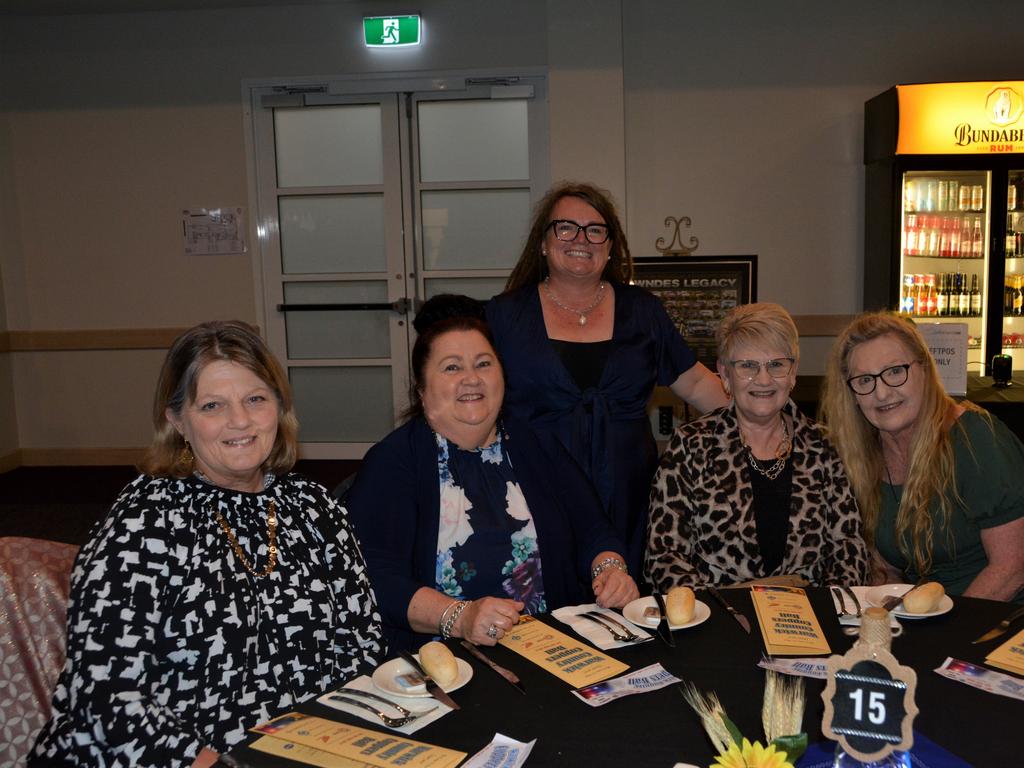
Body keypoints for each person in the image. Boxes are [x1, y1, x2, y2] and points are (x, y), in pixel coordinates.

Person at [30, 321, 385, 768]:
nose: (240, 420)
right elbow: (105, 697)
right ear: (176, 419)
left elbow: (362, 644)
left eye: (255, 399)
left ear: (279, 406)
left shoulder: (315, 507)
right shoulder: (144, 524)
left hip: (293, 748)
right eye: (213, 405)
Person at [347, 295, 640, 652]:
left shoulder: (535, 444)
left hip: (552, 649)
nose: (471, 378)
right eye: (452, 368)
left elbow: (592, 526)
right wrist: (460, 617)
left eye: (483, 364)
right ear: (422, 391)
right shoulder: (394, 462)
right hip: (444, 661)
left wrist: (609, 569)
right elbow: (376, 579)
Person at [486, 182, 729, 575]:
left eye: (595, 229)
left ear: (611, 245)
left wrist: (762, 421)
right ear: (543, 243)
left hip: (629, 491)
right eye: (565, 227)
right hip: (537, 486)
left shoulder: (644, 311)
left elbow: (697, 384)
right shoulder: (504, 316)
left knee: (628, 607)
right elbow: (479, 401)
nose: (581, 238)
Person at [645, 303, 867, 592]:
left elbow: (848, 547)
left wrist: (828, 611)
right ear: (725, 374)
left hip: (809, 621)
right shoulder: (690, 445)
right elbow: (663, 556)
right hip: (718, 622)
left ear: (793, 373)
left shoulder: (825, 445)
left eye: (776, 365)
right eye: (748, 366)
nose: (763, 379)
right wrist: (713, 615)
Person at [820, 312, 1024, 602]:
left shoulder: (978, 441)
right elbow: (886, 570)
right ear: (852, 393)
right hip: (926, 621)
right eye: (865, 380)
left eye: (895, 372)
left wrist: (949, 634)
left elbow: (1012, 568)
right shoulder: (862, 455)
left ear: (925, 369)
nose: (881, 393)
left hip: (994, 616)